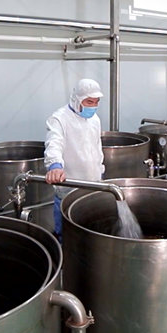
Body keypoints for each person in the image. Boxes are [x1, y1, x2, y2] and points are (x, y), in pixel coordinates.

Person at [44, 78, 105, 240]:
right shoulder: (59, 119)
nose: (93, 106)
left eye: (96, 102)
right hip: (70, 187)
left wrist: (100, 172)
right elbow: (54, 143)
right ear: (76, 99)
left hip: (93, 185)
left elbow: (97, 148)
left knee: (92, 232)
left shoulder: (95, 119)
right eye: (89, 102)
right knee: (68, 234)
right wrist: (55, 166)